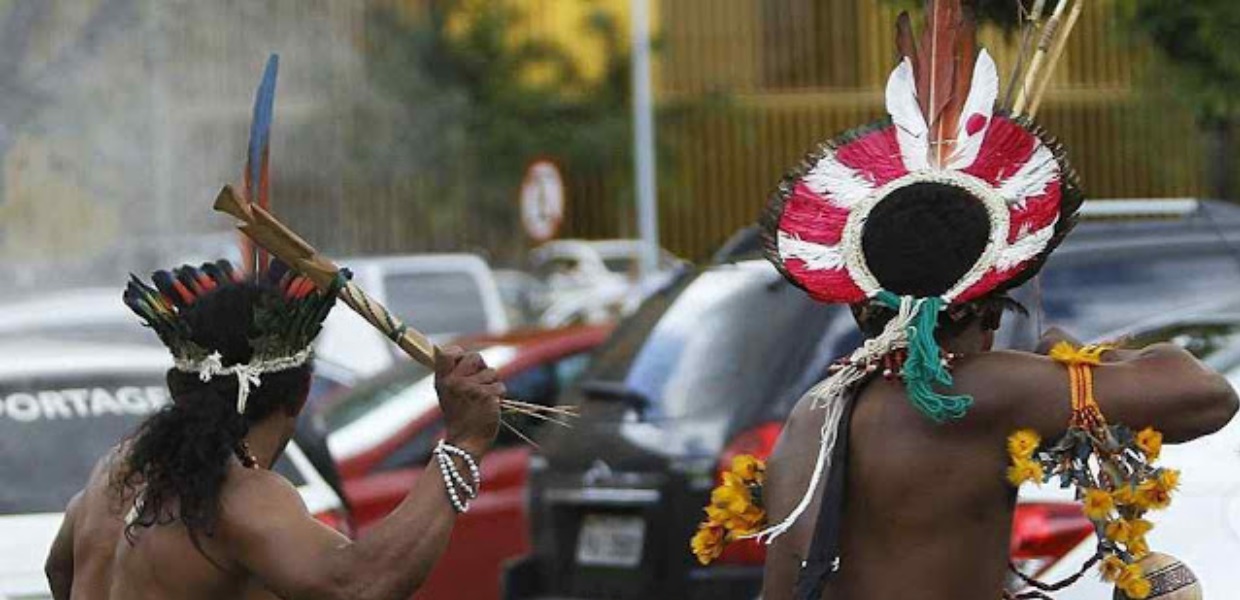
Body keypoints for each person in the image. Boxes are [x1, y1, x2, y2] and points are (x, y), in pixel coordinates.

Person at [745, 2, 1240, 599]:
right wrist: (1073, 358)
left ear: (858, 306)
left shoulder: (814, 412)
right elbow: (1206, 395)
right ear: (983, 308)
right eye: (1000, 315)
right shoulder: (973, 391)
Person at [44, 260, 502, 599]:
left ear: (177, 387)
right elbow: (360, 584)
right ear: (301, 395)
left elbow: (58, 570)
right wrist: (464, 443)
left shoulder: (113, 476)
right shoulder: (237, 497)